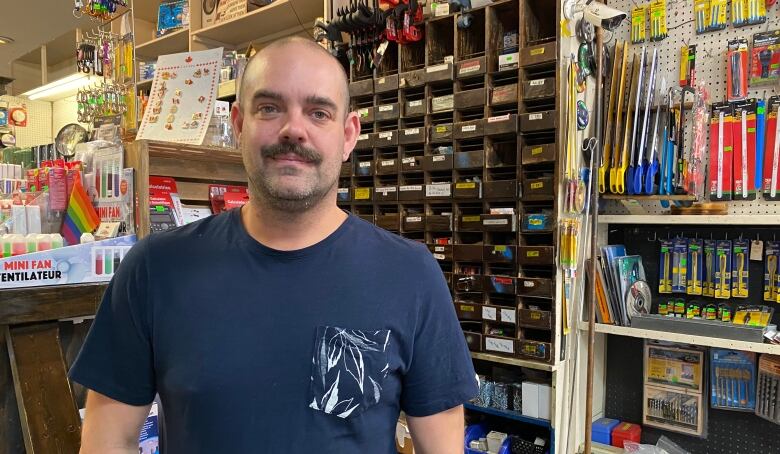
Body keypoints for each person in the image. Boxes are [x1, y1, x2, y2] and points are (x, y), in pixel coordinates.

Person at [70, 36, 478, 453]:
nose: (293, 130)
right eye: (269, 108)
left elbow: (442, 445)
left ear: (348, 134)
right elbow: (107, 441)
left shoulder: (409, 274)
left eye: (318, 112)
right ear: (239, 125)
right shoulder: (156, 268)